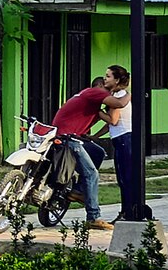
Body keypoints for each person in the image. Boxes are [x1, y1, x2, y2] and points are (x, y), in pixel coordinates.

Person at [49, 65, 128, 226]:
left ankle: (78, 190)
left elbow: (109, 121)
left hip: (70, 136)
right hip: (68, 138)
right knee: (92, 174)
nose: (106, 80)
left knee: (97, 152)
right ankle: (93, 217)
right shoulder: (96, 92)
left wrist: (93, 136)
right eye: (105, 78)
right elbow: (119, 104)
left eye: (108, 77)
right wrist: (130, 93)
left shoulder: (91, 101)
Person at [103, 69, 141, 220]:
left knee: (125, 178)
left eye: (108, 76)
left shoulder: (118, 97)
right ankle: (126, 211)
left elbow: (113, 120)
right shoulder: (118, 96)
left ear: (117, 80)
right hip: (122, 137)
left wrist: (96, 111)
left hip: (124, 138)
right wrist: (95, 136)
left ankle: (127, 212)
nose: (105, 79)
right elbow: (112, 124)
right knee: (124, 177)